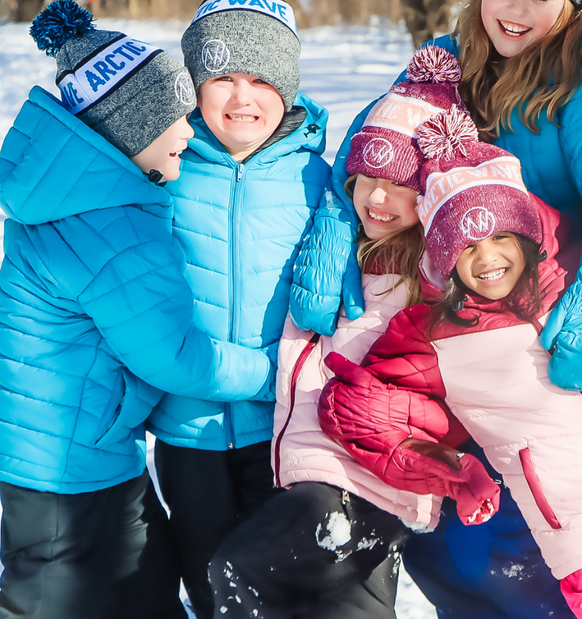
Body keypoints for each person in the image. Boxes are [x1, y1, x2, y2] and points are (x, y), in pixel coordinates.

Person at [291, 1, 582, 616]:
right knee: (447, 538)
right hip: (448, 328)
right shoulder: (450, 61)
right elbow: (374, 138)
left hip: (538, 337)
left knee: (525, 542)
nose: (514, 10)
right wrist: (333, 222)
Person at [318, 107, 582, 619]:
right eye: (465, 245)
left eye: (499, 237)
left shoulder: (576, 284)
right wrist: (452, 468)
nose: (487, 257)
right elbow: (354, 405)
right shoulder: (437, 334)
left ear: (525, 234)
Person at [0, 2, 277, 617]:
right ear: (131, 128)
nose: (189, 131)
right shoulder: (113, 231)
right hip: (71, 473)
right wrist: (278, 373)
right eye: (175, 116)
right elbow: (180, 359)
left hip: (60, 457)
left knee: (143, 587)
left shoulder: (73, 201)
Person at [205, 47, 500, 619]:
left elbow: (461, 381)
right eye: (365, 179)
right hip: (330, 467)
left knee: (239, 570)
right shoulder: (342, 255)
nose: (377, 199)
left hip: (365, 472)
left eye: (398, 185)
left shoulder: (436, 280)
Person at [144, 1, 331, 616]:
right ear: (195, 87)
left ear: (288, 85)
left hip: (284, 426)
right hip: (187, 427)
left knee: (279, 587)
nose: (240, 97)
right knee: (209, 582)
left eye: (261, 79)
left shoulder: (319, 181)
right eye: (222, 77)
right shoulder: (164, 170)